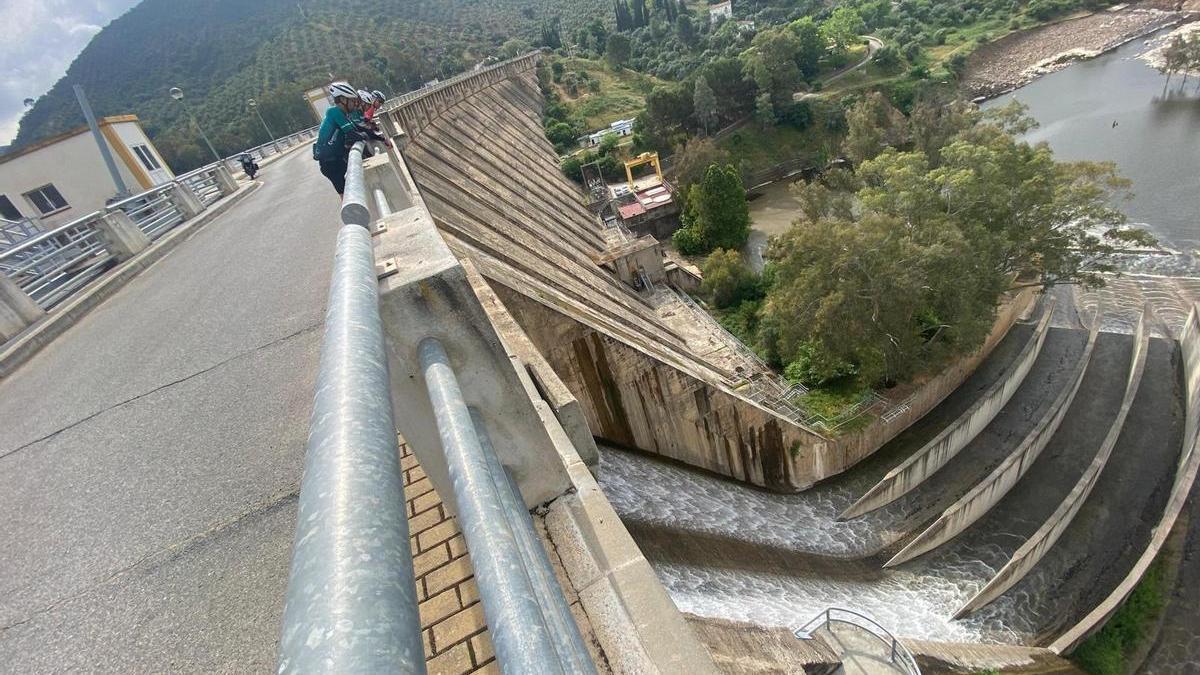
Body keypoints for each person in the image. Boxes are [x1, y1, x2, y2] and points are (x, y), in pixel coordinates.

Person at [314, 81, 383, 195]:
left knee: (354, 189)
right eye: (352, 100)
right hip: (330, 162)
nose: (355, 104)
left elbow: (358, 129)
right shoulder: (334, 112)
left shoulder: (343, 114)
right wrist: (364, 135)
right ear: (343, 100)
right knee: (347, 195)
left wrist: (372, 136)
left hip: (337, 158)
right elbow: (354, 134)